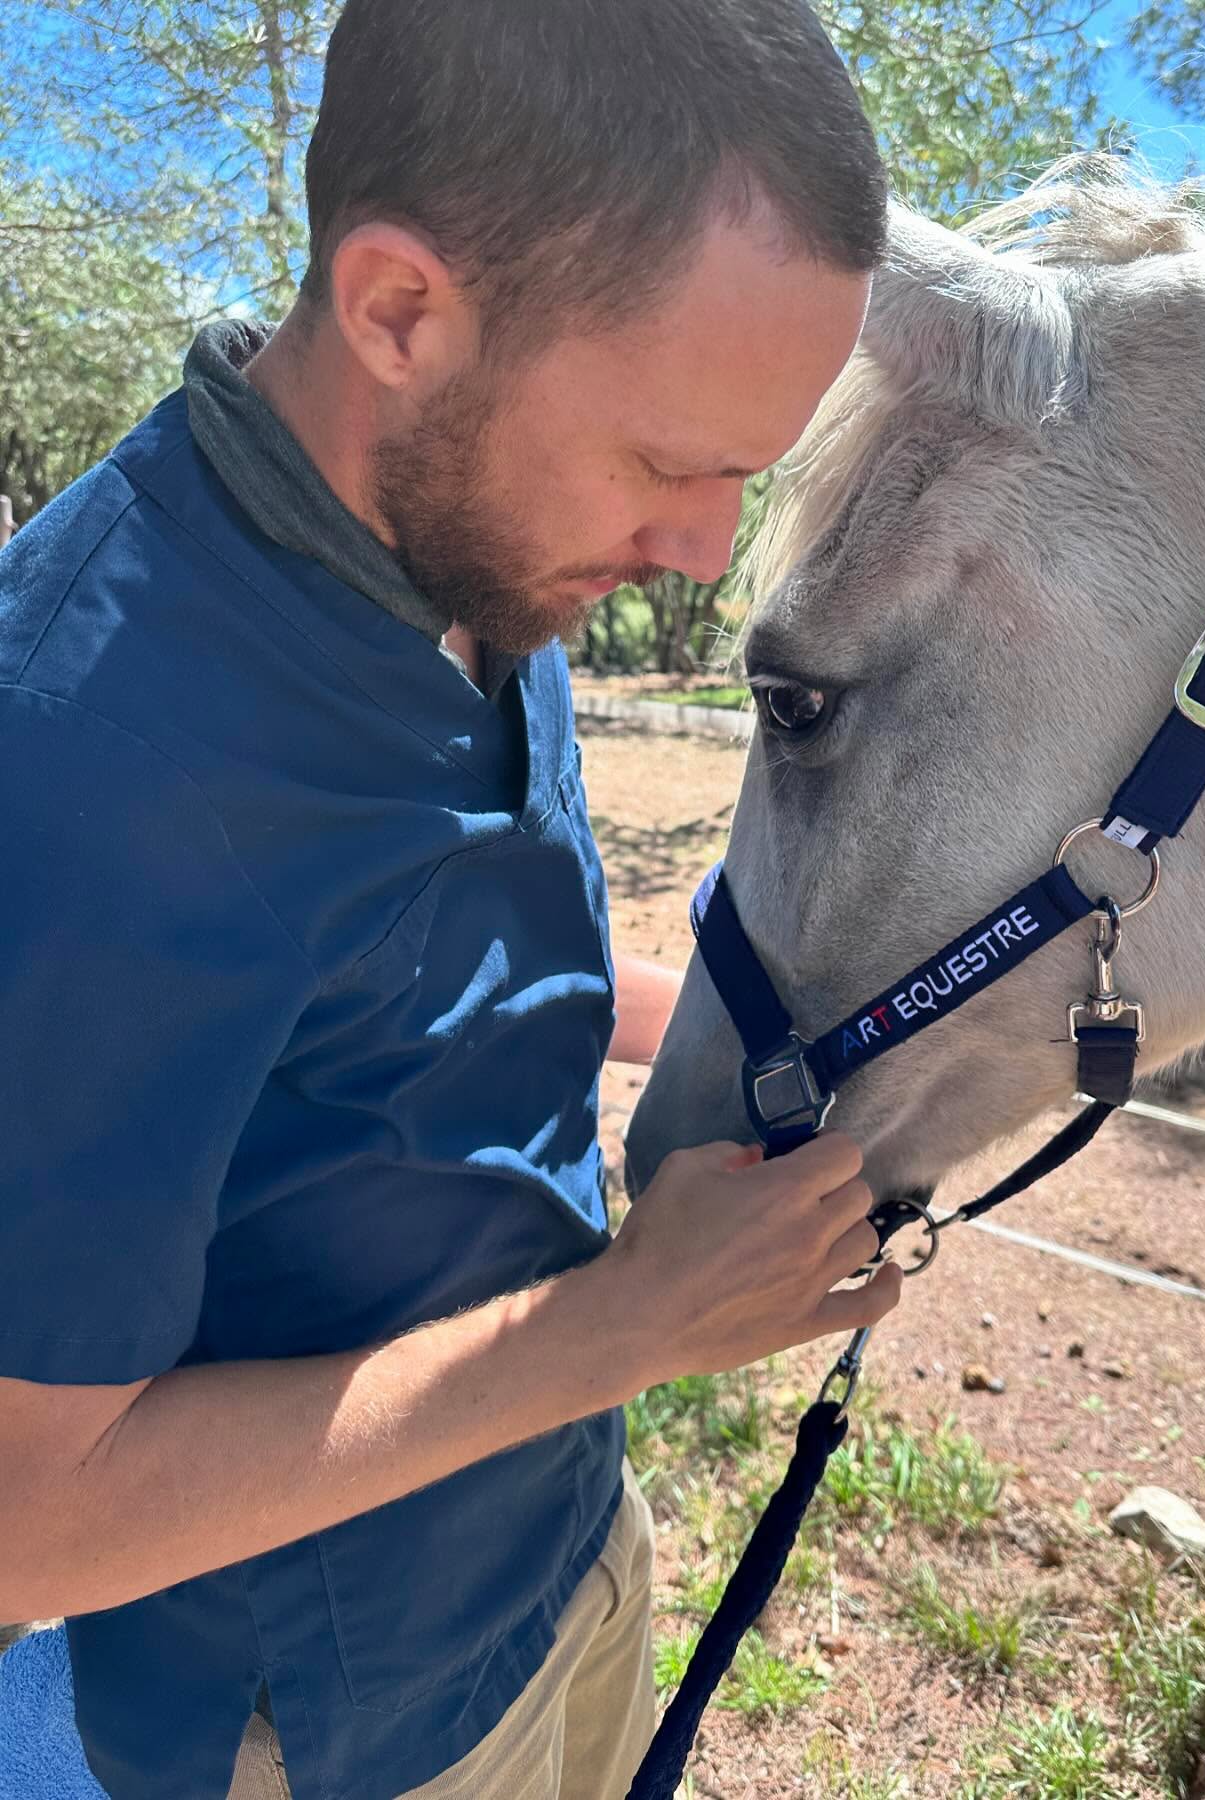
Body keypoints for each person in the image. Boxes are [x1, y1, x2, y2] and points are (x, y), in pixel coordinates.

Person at [0, 3, 904, 1797]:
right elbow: (28, 1530)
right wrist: (636, 1324)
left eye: (751, 468)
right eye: (671, 461)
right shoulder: (86, 763)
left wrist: (762, 1031)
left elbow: (437, 963)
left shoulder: (478, 551)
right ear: (400, 309)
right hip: (323, 1725)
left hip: (564, 1540)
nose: (708, 552)